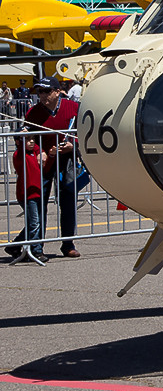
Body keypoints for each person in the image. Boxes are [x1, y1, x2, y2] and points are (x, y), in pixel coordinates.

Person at [27, 79, 78, 258]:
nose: (42, 95)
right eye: (39, 91)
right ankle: (36, 247)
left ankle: (68, 243)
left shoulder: (73, 107)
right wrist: (38, 151)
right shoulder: (33, 113)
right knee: (39, 203)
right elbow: (26, 138)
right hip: (45, 163)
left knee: (68, 202)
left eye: (46, 91)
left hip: (67, 161)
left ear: (57, 92)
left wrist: (73, 145)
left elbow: (85, 131)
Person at [5, 136, 46, 264]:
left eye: (33, 139)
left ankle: (14, 245)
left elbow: (38, 149)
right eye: (28, 140)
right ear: (19, 142)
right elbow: (20, 150)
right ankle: (36, 250)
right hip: (27, 195)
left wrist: (42, 152)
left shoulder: (34, 152)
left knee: (34, 223)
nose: (32, 142)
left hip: (37, 192)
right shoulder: (19, 155)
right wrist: (22, 136)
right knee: (34, 223)